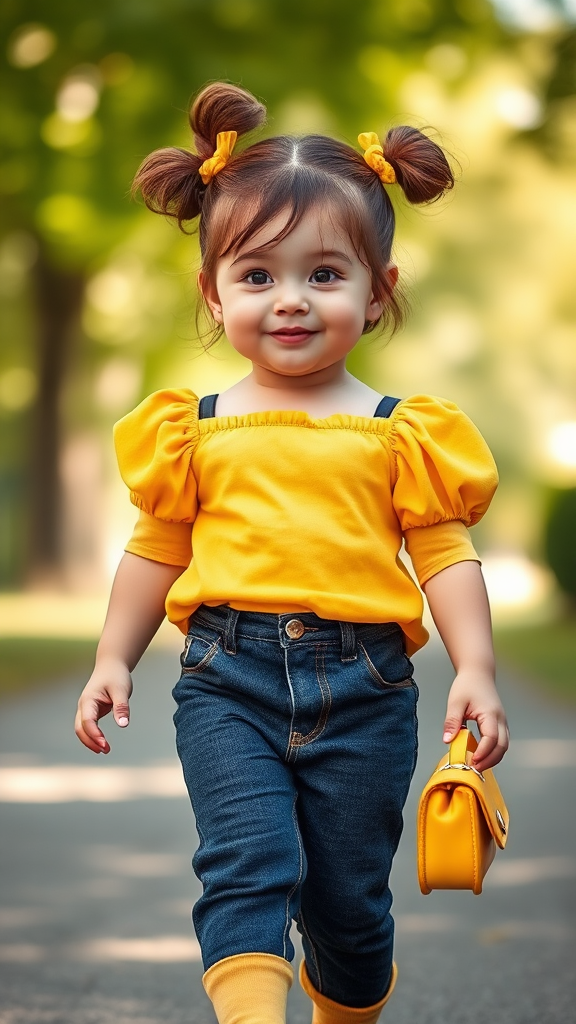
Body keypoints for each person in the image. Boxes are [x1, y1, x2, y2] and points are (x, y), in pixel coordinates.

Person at [75, 82, 509, 1024]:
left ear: (377, 289)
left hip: (367, 690)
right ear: (213, 290)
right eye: (258, 276)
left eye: (324, 275)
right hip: (227, 678)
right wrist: (113, 655)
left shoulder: (399, 433)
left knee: (347, 909)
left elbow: (444, 551)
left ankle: (344, 1005)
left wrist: (474, 663)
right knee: (247, 863)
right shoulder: (193, 429)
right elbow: (155, 546)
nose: (290, 302)